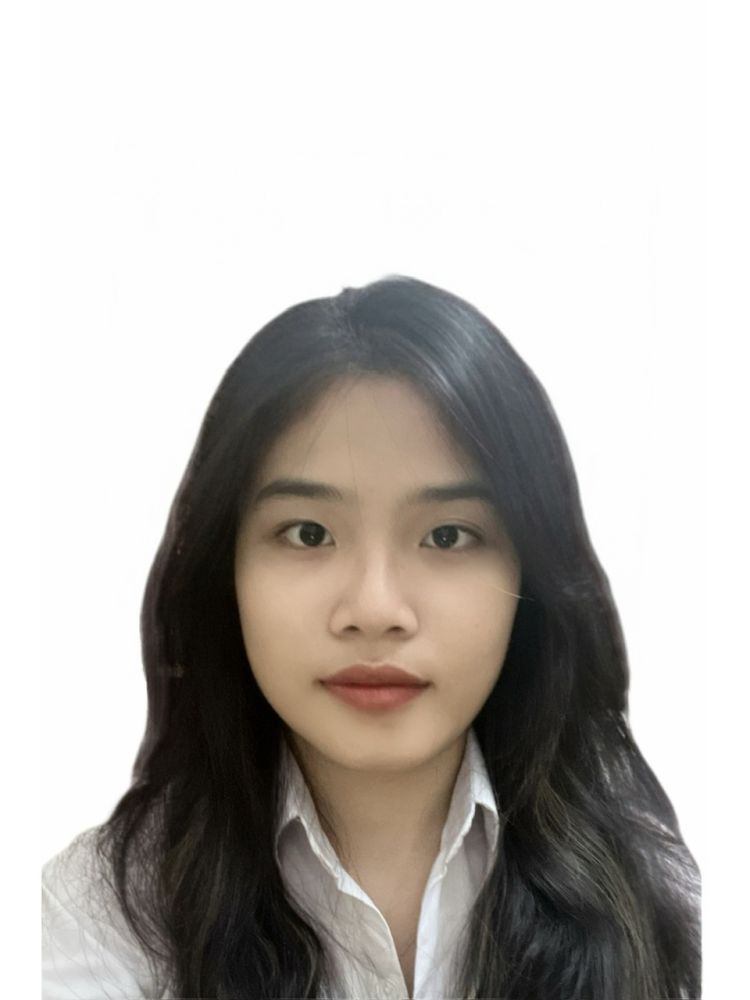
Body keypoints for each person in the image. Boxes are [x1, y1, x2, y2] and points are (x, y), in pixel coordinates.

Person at [42, 275, 701, 999]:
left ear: (532, 575)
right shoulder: (99, 920)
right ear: (223, 572)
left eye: (448, 536)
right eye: (308, 533)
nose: (376, 609)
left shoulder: (671, 901)